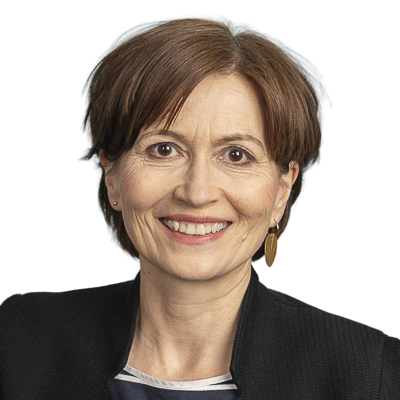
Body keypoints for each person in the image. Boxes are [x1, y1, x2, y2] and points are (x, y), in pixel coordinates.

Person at [1, 15, 399, 400]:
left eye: (237, 155)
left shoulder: (370, 375)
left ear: (282, 190)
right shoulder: (16, 341)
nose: (197, 192)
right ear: (112, 174)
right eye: (164, 149)